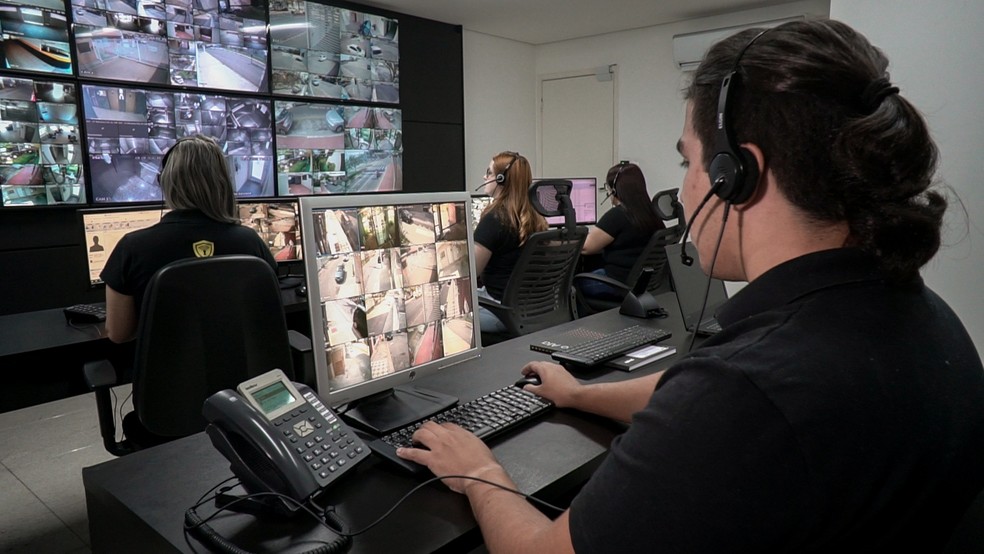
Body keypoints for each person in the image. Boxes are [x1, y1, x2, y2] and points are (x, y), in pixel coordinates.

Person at [396, 19, 984, 552]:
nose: (685, 188)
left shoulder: (748, 390)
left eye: (689, 162)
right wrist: (579, 394)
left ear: (737, 176)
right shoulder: (922, 317)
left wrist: (477, 471)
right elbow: (687, 395)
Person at [101, 135, 276, 343]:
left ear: (164, 181)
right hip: (243, 372)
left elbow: (118, 334)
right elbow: (266, 314)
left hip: (166, 374)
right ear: (223, 183)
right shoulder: (251, 242)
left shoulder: (132, 247)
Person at [473, 151, 547, 334]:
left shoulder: (494, 219)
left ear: (500, 179)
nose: (484, 176)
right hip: (534, 309)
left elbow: (471, 272)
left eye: (488, 172)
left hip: (502, 312)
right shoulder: (536, 218)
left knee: (447, 317)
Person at [577, 161, 665, 299]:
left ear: (614, 190)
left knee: (573, 284)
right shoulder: (652, 213)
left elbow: (586, 247)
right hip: (641, 282)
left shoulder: (618, 215)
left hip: (617, 283)